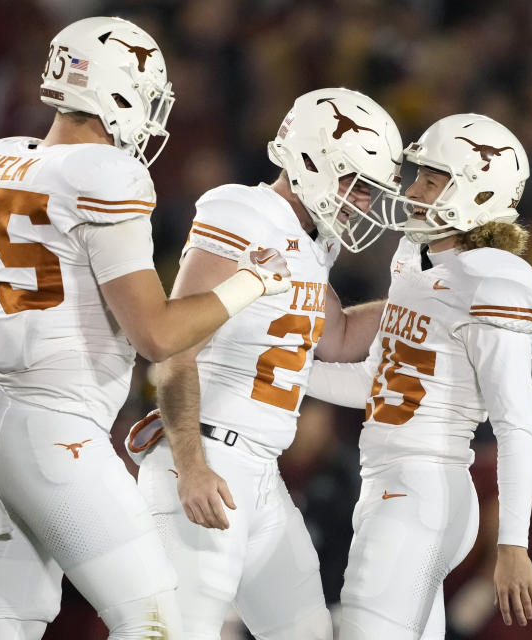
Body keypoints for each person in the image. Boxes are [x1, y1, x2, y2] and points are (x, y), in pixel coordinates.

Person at [0, 16, 291, 639]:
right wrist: (249, 283)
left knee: (4, 629)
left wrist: (20, 372)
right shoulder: (107, 175)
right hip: (53, 431)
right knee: (160, 626)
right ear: (116, 89)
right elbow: (157, 336)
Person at [125, 87, 402, 639]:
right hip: (208, 456)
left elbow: (340, 336)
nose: (363, 202)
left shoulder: (311, 241)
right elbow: (179, 346)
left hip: (259, 473)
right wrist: (191, 463)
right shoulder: (243, 210)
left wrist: (420, 303)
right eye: (354, 182)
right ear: (311, 160)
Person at [306, 113, 532, 639]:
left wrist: (513, 543)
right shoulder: (417, 264)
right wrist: (282, 371)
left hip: (425, 488)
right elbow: (377, 385)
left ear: (479, 193)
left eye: (432, 180)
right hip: (392, 483)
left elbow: (516, 424)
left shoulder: (497, 280)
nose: (413, 191)